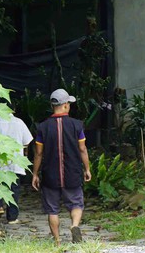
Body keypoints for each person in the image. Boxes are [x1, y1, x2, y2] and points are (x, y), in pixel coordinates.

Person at [31, 88, 92, 245]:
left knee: (52, 209)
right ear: (65, 105)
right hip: (72, 172)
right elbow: (83, 149)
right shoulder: (77, 125)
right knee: (77, 203)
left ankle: (57, 241)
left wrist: (35, 174)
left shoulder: (43, 128)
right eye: (69, 103)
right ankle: (74, 225)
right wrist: (87, 169)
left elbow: (38, 153)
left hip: (50, 175)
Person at [0, 111, 33, 224]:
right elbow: (27, 141)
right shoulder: (19, 122)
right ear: (13, 110)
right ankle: (12, 217)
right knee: (14, 188)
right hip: (15, 161)